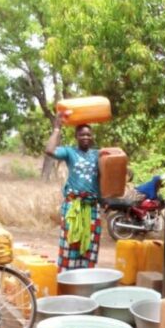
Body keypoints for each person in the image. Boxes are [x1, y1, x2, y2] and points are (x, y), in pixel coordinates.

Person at [46, 112, 101, 271]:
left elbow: (110, 170)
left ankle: (85, 282)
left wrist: (126, 169)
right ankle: (67, 281)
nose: (86, 137)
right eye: (82, 134)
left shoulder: (97, 154)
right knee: (70, 244)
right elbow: (49, 150)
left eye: (88, 134)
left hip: (92, 207)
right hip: (73, 206)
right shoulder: (69, 152)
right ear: (76, 136)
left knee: (89, 246)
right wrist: (57, 129)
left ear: (92, 137)